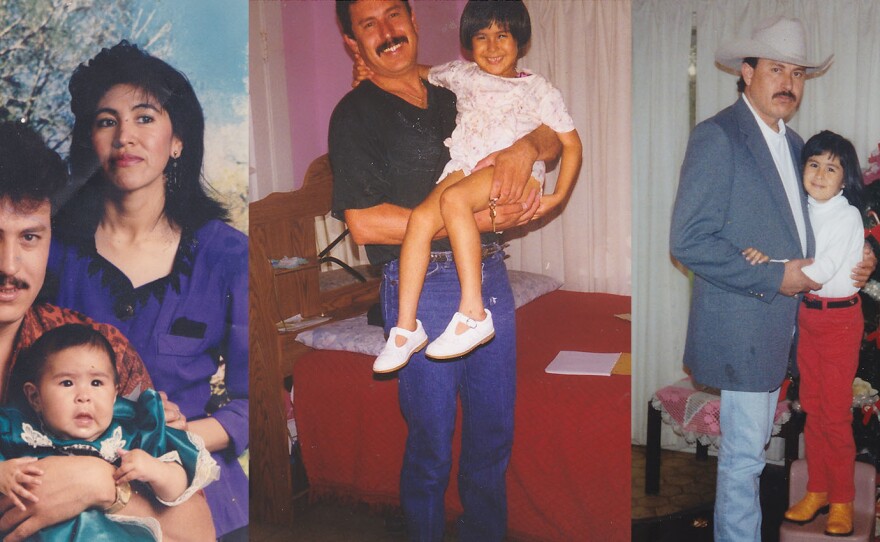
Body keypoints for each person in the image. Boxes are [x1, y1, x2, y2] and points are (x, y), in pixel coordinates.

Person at [331, 1, 561, 539]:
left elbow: (551, 127)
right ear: (352, 43)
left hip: (489, 277)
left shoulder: (462, 84)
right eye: (369, 25)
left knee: (492, 435)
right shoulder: (354, 115)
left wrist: (525, 149)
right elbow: (364, 224)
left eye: (395, 16)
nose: (387, 33)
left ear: (413, 21)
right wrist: (476, 216)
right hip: (422, 287)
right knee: (432, 443)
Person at [669, 16, 874, 542]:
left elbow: (823, 226)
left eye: (798, 73)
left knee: (758, 454)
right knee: (742, 463)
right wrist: (769, 274)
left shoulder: (797, 144)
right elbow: (688, 241)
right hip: (745, 325)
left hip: (797, 330)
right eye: (776, 69)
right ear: (747, 71)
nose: (789, 82)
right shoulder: (717, 136)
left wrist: (863, 255)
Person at [46, 41, 248, 541]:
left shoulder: (229, 255)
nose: (124, 138)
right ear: (89, 141)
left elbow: (255, 401)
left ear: (177, 139)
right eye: (106, 121)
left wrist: (169, 436)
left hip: (195, 490)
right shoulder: (50, 252)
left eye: (144, 118)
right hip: (72, 487)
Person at [0, 121, 214, 542]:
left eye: (29, 237)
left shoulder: (96, 350)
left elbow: (197, 533)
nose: (9, 265)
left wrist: (97, 483)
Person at [370, 0, 582, 373]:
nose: (493, 46)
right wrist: (372, 72)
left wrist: (559, 196)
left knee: (454, 202)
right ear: (469, 44)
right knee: (420, 219)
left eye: (503, 36)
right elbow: (416, 71)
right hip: (466, 165)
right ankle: (405, 329)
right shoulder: (462, 75)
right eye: (481, 37)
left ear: (520, 41)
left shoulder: (538, 90)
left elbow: (572, 144)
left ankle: (473, 311)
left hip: (512, 170)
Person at [742, 131, 866, 536]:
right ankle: (817, 491)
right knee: (812, 409)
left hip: (839, 322)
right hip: (809, 318)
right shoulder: (805, 209)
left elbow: (822, 268)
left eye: (831, 168)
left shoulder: (846, 215)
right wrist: (768, 259)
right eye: (814, 164)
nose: (820, 173)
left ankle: (842, 499)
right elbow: (792, 253)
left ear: (845, 179)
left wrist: (777, 275)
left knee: (834, 416)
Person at [0, 324, 219, 541]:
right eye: (67, 383)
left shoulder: (130, 433)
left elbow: (178, 490)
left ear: (114, 395)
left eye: (96, 383)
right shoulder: (17, 430)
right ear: (34, 397)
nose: (84, 396)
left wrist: (156, 470)